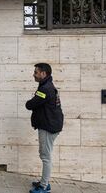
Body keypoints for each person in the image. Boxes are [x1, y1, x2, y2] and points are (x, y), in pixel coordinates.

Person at [26, 63, 64, 193]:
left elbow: (31, 104)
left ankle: (44, 187)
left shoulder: (45, 89)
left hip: (48, 126)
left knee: (45, 156)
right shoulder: (47, 86)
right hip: (50, 124)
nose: (34, 74)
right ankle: (44, 181)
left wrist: (28, 103)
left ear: (43, 74)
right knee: (45, 154)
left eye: (36, 72)